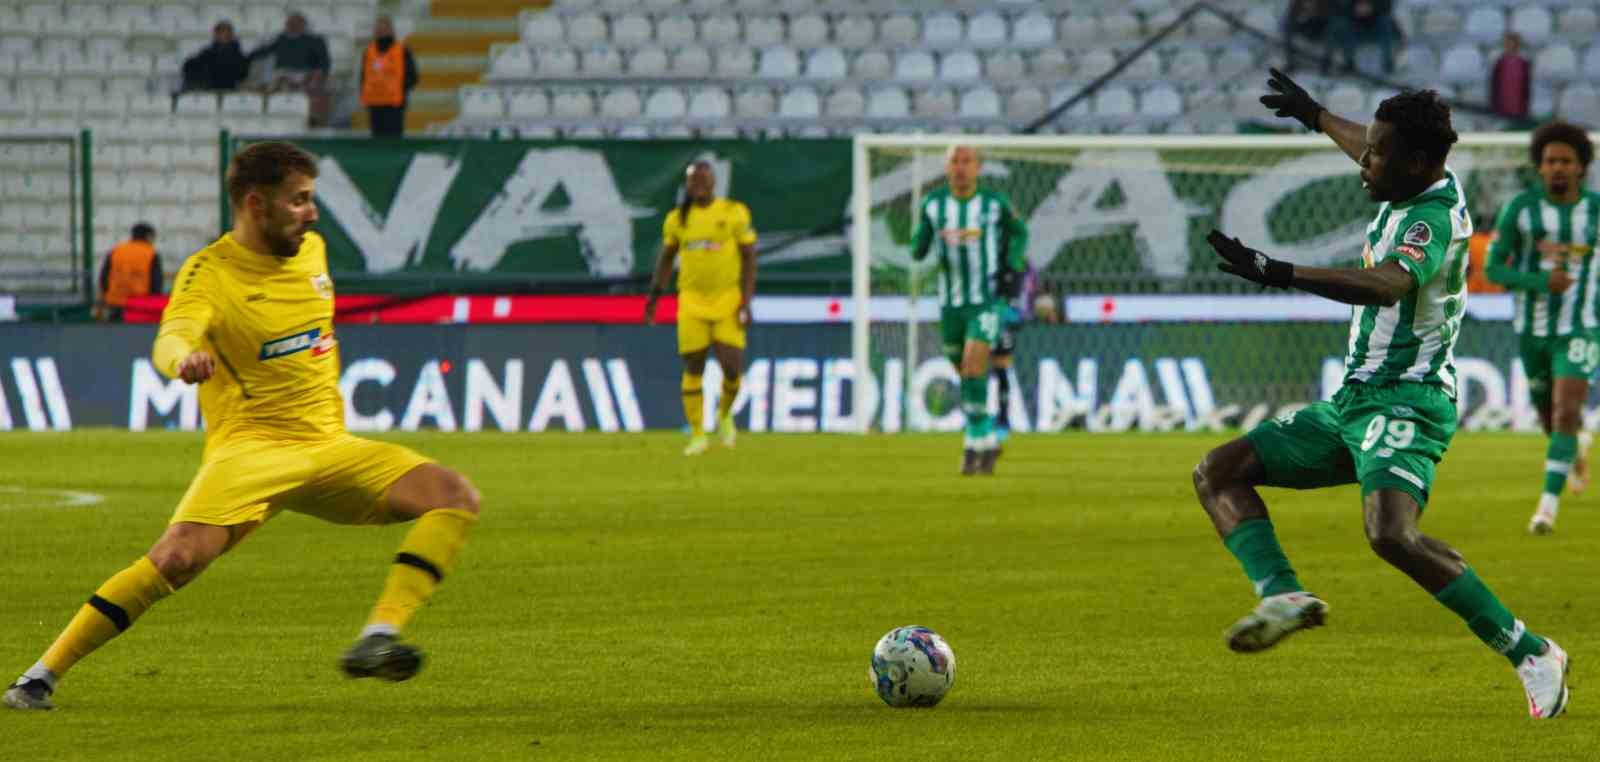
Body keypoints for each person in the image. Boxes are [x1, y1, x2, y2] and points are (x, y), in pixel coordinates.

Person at [3, 142, 481, 711]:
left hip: (329, 446)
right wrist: (182, 361)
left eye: (312, 200)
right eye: (299, 201)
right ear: (256, 204)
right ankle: (38, 678)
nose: (312, 213)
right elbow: (172, 335)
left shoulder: (314, 252)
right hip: (250, 452)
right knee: (175, 560)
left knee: (453, 496)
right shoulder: (209, 274)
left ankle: (379, 636)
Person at [1192, 69, 1570, 718]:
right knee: (1219, 472)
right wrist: (1314, 114)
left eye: (1377, 153)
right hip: (1355, 401)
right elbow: (1367, 147)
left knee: (1391, 535)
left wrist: (1279, 271)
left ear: (1417, 162)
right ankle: (1283, 593)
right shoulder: (1407, 177)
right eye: (1366, 147)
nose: (1363, 161)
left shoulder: (1431, 219)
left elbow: (1389, 284)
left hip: (1408, 399)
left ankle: (1531, 651)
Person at [1483, 121, 1600, 533]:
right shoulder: (1520, 210)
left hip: (1582, 328)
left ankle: (1546, 510)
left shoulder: (1597, 211)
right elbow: (1494, 267)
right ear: (1539, 166)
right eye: (1550, 161)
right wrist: (1539, 282)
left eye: (1566, 160)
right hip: (1532, 330)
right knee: (1550, 418)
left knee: (1567, 410)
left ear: (1582, 166)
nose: (1558, 168)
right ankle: (1574, 450)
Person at [910, 145, 1028, 476]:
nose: (961, 168)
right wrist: (920, 240)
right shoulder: (933, 205)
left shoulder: (994, 204)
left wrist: (1013, 266)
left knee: (975, 362)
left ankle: (972, 444)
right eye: (955, 162)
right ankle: (987, 434)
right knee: (962, 369)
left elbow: (1020, 231)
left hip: (986, 299)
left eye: (967, 162)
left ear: (978, 168)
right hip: (950, 305)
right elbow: (918, 248)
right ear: (947, 168)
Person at [644, 160, 758, 456]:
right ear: (687, 186)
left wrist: (746, 301)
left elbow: (749, 258)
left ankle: (724, 414)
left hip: (726, 299)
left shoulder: (733, 213)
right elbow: (666, 258)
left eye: (702, 180)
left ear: (713, 183)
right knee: (693, 364)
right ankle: (697, 434)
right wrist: (654, 296)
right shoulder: (677, 220)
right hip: (692, 301)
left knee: (732, 366)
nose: (697, 185)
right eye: (693, 181)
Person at [247, 11, 332, 125]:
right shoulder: (281, 39)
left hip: (306, 75)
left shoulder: (315, 41)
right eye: (290, 23)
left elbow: (324, 62)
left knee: (317, 93)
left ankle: (312, 121)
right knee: (266, 87)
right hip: (282, 75)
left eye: (296, 23)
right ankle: (270, 118)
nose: (292, 26)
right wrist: (245, 58)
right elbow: (263, 51)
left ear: (303, 25)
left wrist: (319, 75)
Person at [361, 16, 419, 138]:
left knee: (394, 140)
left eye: (384, 28)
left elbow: (413, 77)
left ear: (392, 30)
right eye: (378, 28)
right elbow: (363, 77)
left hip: (394, 106)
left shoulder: (402, 51)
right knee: (376, 142)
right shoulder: (368, 51)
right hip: (374, 105)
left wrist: (400, 89)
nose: (380, 31)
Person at [94, 223, 162, 323]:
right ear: (149, 236)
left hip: (114, 304)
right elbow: (156, 283)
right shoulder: (151, 253)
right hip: (140, 307)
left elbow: (104, 278)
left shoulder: (116, 250)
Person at [181, 21, 249, 92]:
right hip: (209, 89)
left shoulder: (238, 56)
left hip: (230, 89)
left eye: (227, 33)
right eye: (221, 33)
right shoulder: (207, 54)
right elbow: (189, 67)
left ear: (231, 35)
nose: (224, 36)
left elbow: (241, 74)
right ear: (216, 35)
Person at [1489, 33, 1532, 121]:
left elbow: (1526, 86)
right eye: (1508, 44)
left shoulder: (1523, 63)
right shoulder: (1500, 62)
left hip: (1518, 105)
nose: (1510, 47)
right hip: (1501, 104)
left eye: (1513, 44)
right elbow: (1494, 85)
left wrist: (1525, 106)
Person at [1282, 0, 1332, 74]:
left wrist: (1313, 14)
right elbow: (1292, 14)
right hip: (1304, 26)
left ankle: (1325, 65)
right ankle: (1290, 62)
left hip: (1320, 27)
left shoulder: (1325, 2)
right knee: (1288, 28)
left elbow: (1327, 15)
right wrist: (1302, 17)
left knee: (1331, 32)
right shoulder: (1298, 2)